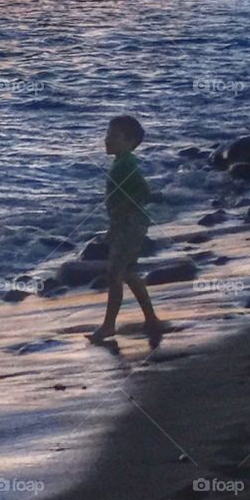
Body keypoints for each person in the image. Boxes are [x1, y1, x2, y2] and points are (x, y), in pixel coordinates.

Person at [87, 114, 163, 346]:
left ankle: (109, 325)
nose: (107, 140)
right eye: (107, 135)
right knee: (129, 272)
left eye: (114, 136)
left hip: (130, 226)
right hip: (125, 225)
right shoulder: (121, 162)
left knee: (115, 274)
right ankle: (151, 318)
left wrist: (127, 210)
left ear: (130, 142)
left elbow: (143, 190)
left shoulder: (127, 163)